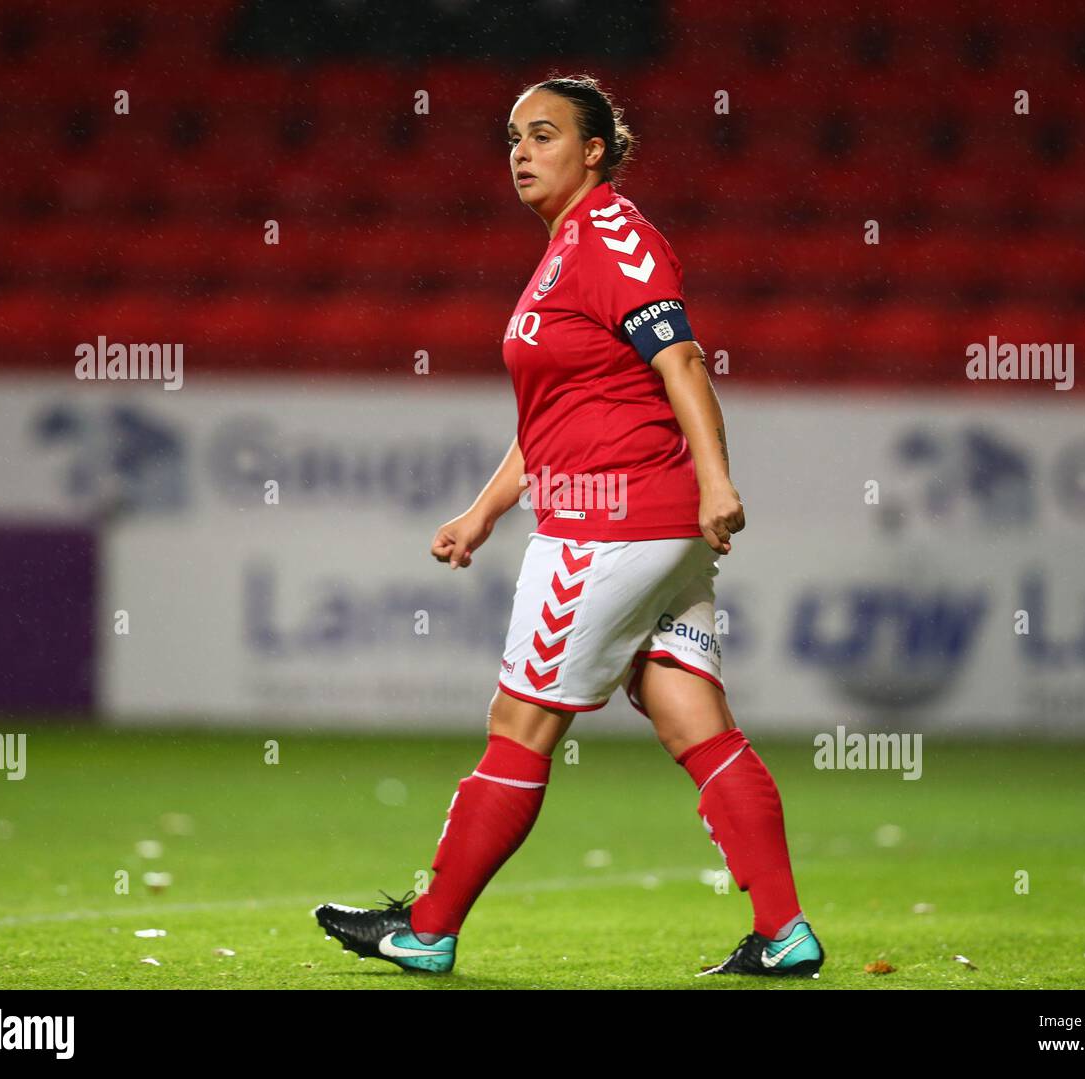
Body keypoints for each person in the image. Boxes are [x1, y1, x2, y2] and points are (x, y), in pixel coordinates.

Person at [314, 74, 825, 979]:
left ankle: (427, 928)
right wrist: (483, 510)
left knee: (521, 720)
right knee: (694, 719)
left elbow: (683, 361)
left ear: (595, 150)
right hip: (642, 525)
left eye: (543, 135)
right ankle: (784, 931)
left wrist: (719, 482)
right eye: (512, 136)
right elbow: (560, 412)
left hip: (610, 522)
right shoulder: (566, 250)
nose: (520, 151)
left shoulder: (612, 238)